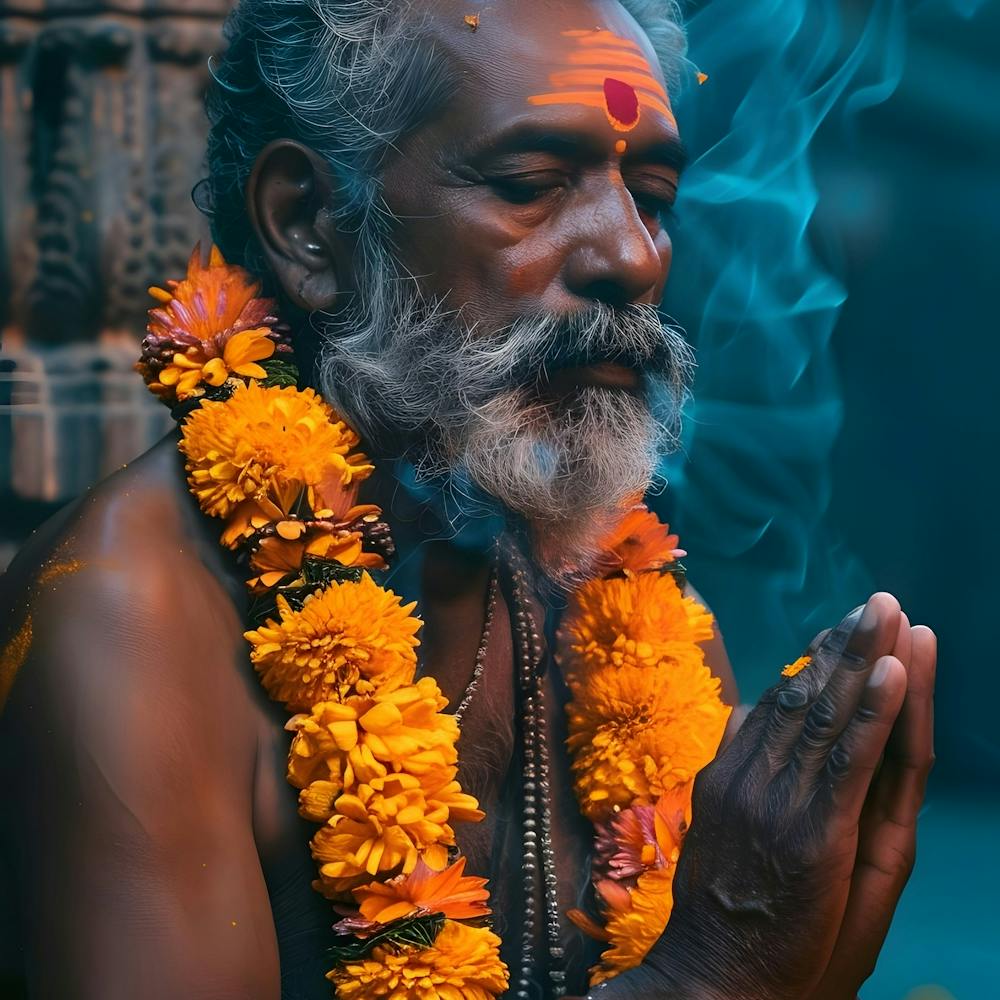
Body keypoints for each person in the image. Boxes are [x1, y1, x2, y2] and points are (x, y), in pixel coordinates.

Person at [0, 1, 936, 998]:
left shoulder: (627, 621)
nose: (630, 255)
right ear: (310, 226)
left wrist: (805, 951)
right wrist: (712, 972)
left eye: (653, 194)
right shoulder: (127, 624)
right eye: (531, 186)